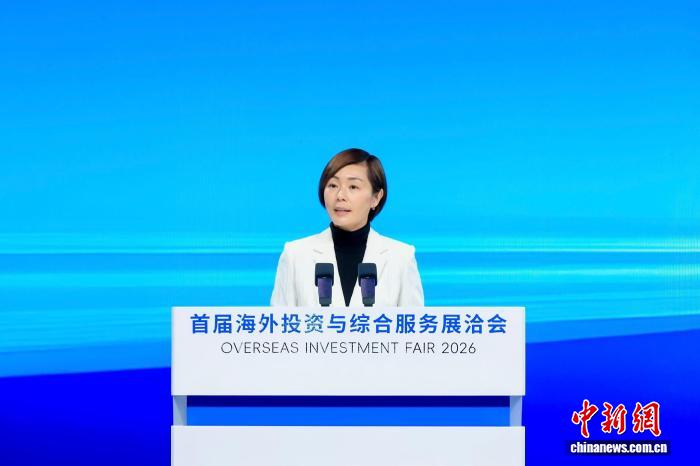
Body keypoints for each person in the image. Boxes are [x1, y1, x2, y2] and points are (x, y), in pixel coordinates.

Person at [271, 148, 424, 307]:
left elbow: (413, 322)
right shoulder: (295, 255)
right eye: (333, 185)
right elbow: (279, 321)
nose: (340, 196)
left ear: (376, 197)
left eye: (353, 187)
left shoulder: (401, 258)